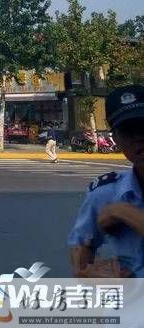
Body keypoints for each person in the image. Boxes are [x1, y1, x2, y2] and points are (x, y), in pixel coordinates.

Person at [68, 85, 144, 278]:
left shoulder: (114, 206)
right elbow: (81, 251)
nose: (139, 138)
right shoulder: (105, 192)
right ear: (116, 139)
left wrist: (123, 212)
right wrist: (92, 274)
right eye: (128, 131)